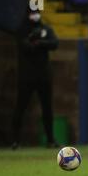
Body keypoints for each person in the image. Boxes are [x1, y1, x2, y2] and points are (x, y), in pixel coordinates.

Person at [11, 10, 59, 149]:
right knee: (21, 107)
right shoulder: (21, 30)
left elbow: (54, 43)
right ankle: (15, 141)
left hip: (44, 75)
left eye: (37, 12)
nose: (35, 15)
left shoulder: (45, 28)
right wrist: (37, 41)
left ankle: (50, 140)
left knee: (47, 108)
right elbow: (26, 46)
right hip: (26, 76)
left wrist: (39, 42)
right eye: (32, 13)